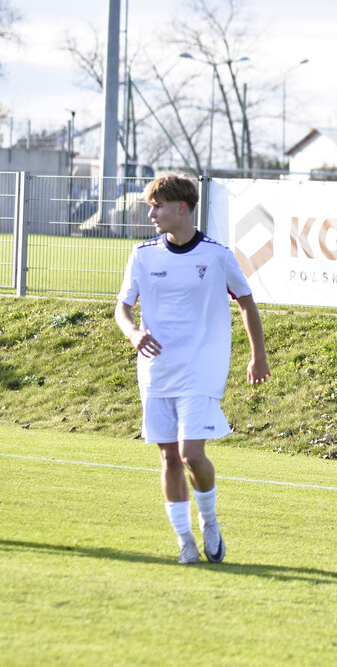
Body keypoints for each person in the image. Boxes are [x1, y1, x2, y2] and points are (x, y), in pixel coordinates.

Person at [115, 175, 270, 564]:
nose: (151, 214)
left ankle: (210, 521)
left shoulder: (217, 256)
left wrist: (258, 356)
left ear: (181, 208)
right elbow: (122, 307)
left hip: (202, 367)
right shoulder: (142, 254)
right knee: (168, 458)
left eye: (158, 206)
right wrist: (133, 333)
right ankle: (185, 541)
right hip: (155, 369)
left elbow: (247, 303)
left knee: (191, 455)